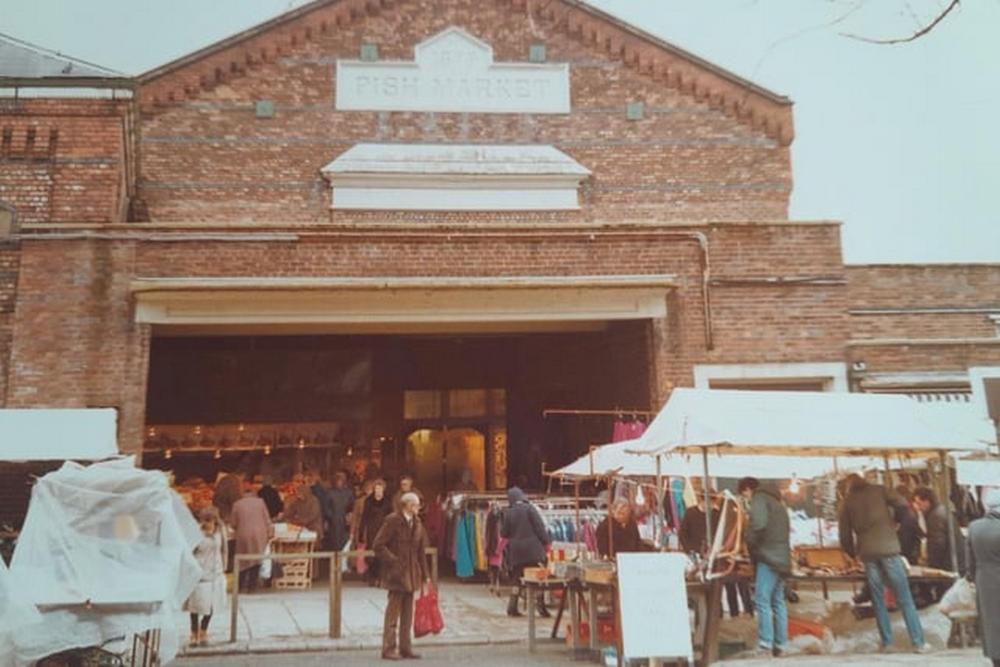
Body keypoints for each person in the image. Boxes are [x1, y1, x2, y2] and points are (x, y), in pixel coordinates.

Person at [839, 473, 930, 654]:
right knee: (904, 598)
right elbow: (903, 505)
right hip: (889, 550)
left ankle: (888, 643)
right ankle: (918, 642)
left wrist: (852, 553)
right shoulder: (880, 491)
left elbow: (844, 534)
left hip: (868, 554)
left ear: (849, 486)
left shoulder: (848, 501)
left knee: (878, 599)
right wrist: (897, 522)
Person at [372, 492, 430, 661]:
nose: (418, 508)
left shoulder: (417, 522)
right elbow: (378, 545)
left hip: (412, 574)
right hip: (396, 574)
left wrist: (425, 575)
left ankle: (406, 648)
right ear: (408, 505)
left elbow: (421, 551)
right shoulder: (393, 520)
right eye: (416, 505)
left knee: (407, 614)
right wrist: (394, 561)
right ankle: (388, 648)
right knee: (393, 613)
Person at [739, 477, 790, 657]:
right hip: (782, 557)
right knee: (778, 601)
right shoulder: (777, 502)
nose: (746, 499)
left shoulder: (759, 499)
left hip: (768, 556)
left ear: (748, 489)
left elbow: (758, 524)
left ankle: (765, 643)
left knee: (762, 599)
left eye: (744, 494)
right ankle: (781, 644)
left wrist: (749, 540)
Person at [501, 486, 551, 618]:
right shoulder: (530, 509)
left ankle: (512, 607)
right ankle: (541, 608)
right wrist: (546, 543)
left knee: (517, 578)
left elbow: (504, 534)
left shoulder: (508, 513)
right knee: (538, 577)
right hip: (533, 550)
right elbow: (539, 527)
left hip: (517, 552)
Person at [967, 488, 1000, 667]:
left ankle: (995, 659)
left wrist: (973, 577)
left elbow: (969, 561)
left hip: (984, 581)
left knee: (991, 622)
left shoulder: (974, 527)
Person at [185, 507, 227, 647]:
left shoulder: (220, 532)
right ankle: (193, 633)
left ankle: (203, 631)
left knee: (212, 606)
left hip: (216, 573)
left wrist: (224, 567)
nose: (207, 523)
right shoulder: (196, 533)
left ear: (215, 520)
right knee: (196, 606)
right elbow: (189, 552)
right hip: (200, 574)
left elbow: (224, 550)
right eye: (205, 520)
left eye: (210, 520)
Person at [231, 481, 273, 592]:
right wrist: (270, 532)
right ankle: (251, 587)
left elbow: (233, 523)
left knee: (243, 560)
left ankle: (239, 586)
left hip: (243, 535)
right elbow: (267, 519)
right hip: (260, 534)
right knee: (257, 559)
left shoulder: (237, 504)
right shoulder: (260, 502)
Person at [360, 479, 393, 586]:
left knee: (383, 554)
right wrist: (361, 533)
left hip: (384, 530)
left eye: (380, 488)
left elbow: (392, 517)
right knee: (372, 555)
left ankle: (382, 578)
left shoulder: (388, 501)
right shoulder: (368, 501)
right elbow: (364, 518)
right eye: (376, 488)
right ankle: (373, 578)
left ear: (383, 489)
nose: (378, 491)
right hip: (372, 531)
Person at [328, 470, 355, 551]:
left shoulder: (349, 492)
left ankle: (343, 561)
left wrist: (350, 517)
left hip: (345, 521)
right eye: (338, 480)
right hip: (334, 521)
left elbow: (352, 506)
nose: (339, 482)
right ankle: (335, 561)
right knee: (334, 542)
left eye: (341, 480)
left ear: (344, 481)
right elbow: (326, 507)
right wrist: (331, 516)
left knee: (345, 542)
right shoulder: (330, 492)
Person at [351, 480, 375, 546]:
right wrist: (352, 533)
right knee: (361, 553)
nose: (370, 492)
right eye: (368, 489)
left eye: (372, 489)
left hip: (374, 532)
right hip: (361, 531)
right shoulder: (359, 502)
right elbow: (354, 519)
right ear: (365, 490)